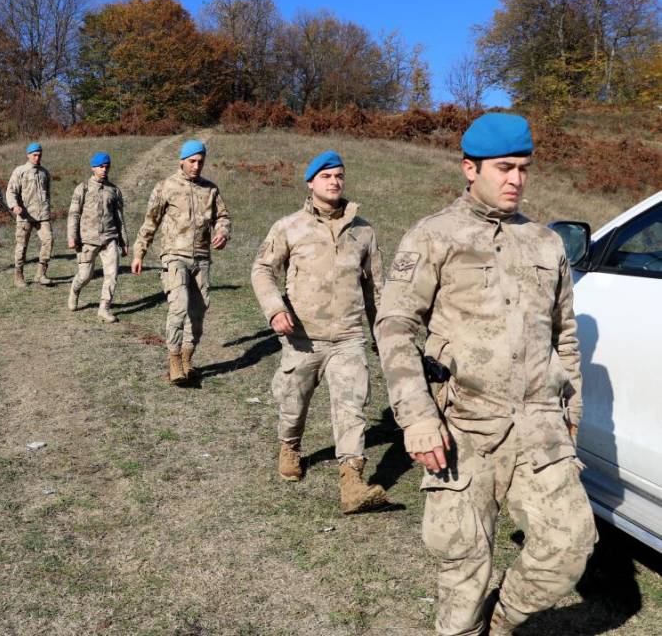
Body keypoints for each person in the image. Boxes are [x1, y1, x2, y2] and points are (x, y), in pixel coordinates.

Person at [375, 113, 595, 635]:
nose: (516, 179)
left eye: (523, 168)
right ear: (469, 169)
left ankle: (500, 623)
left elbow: (565, 337)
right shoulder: (433, 236)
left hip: (539, 425)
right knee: (465, 564)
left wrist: (571, 418)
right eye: (503, 168)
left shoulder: (546, 244)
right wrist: (417, 418)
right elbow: (395, 326)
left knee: (570, 546)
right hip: (464, 427)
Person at [251, 150, 389, 514]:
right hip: (302, 338)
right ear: (311, 182)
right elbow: (262, 270)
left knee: (353, 406)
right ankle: (290, 446)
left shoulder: (363, 230)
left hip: (348, 336)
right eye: (327, 176)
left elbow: (376, 289)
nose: (335, 182)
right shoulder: (289, 227)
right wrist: (275, 310)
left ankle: (352, 480)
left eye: (340, 175)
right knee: (292, 404)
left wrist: (384, 336)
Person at [131, 139, 231, 385]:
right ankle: (174, 358)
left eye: (200, 162)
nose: (196, 166)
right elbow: (150, 222)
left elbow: (223, 217)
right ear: (182, 161)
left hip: (202, 259)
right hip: (174, 255)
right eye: (192, 161)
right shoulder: (166, 186)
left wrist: (222, 232)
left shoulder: (210, 190)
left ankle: (187, 357)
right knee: (179, 305)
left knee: (198, 312)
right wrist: (139, 252)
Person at [67, 152, 128, 323]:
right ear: (93, 167)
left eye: (106, 166)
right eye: (101, 166)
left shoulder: (114, 190)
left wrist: (124, 242)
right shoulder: (83, 188)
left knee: (112, 274)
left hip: (109, 238)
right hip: (88, 240)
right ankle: (75, 289)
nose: (104, 169)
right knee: (85, 275)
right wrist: (72, 237)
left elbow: (119, 218)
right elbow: (74, 214)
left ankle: (104, 308)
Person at [5, 142, 53, 288]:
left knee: (49, 241)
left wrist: (47, 207)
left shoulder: (45, 172)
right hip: (25, 215)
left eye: (39, 155)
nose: (37, 158)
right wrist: (14, 205)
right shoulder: (20, 171)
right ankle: (18, 276)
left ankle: (41, 274)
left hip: (42, 215)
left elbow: (48, 193)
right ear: (28, 155)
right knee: (22, 246)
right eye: (34, 155)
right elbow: (10, 191)